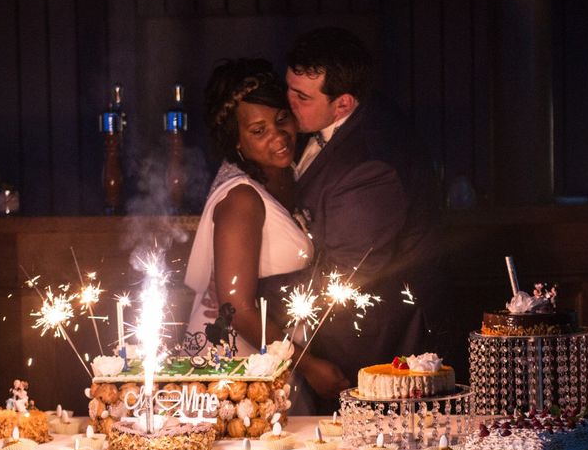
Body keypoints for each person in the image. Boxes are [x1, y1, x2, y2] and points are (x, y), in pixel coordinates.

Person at [259, 26, 456, 413]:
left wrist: (287, 333)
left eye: (301, 96)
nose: (288, 103)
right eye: (289, 88)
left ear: (343, 104)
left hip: (373, 352)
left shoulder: (368, 167)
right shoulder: (342, 124)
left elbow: (350, 274)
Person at [184, 59, 347, 405]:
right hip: (235, 369)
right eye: (258, 131)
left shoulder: (284, 173)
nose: (278, 137)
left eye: (281, 119)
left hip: (275, 355)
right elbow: (237, 308)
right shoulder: (242, 198)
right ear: (237, 141)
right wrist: (310, 365)